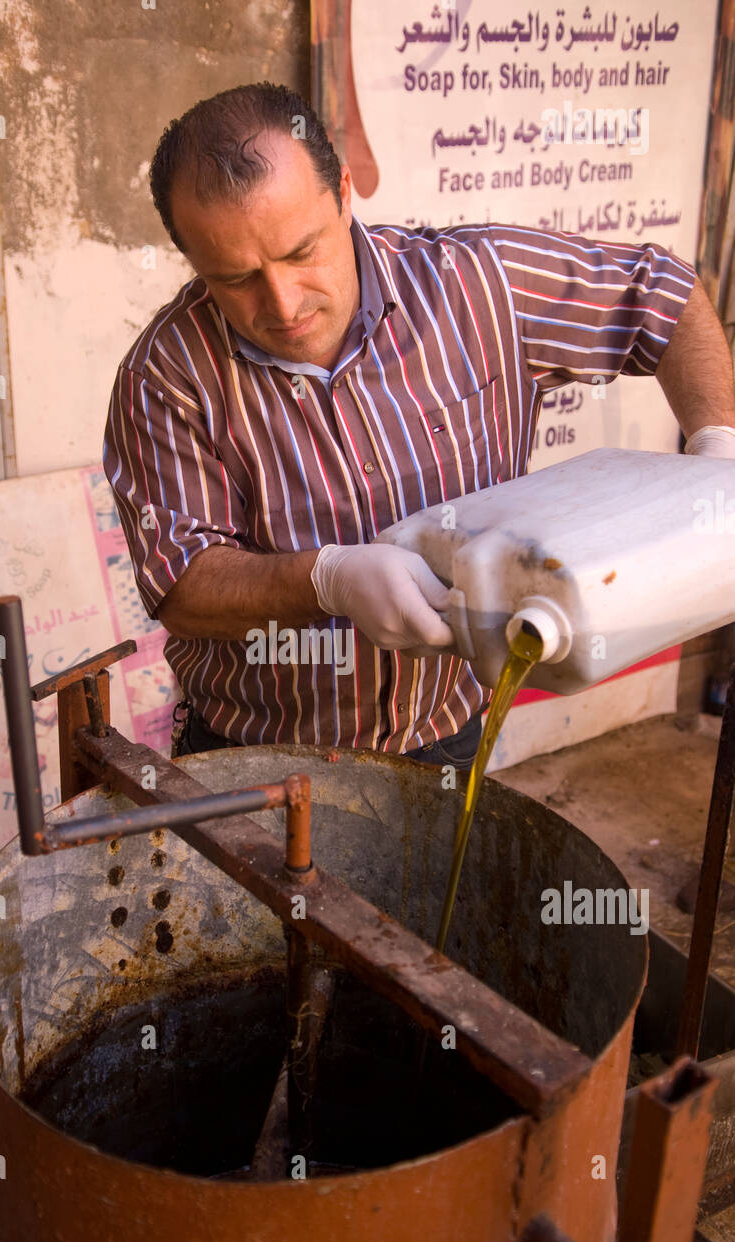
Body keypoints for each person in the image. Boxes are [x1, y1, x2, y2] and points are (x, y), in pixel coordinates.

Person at [103, 83, 735, 765]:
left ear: (344, 193)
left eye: (301, 252)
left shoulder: (478, 286)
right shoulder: (164, 378)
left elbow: (661, 296)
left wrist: (718, 451)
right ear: (193, 262)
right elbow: (182, 586)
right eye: (236, 278)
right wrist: (329, 580)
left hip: (447, 729)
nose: (282, 303)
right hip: (255, 754)